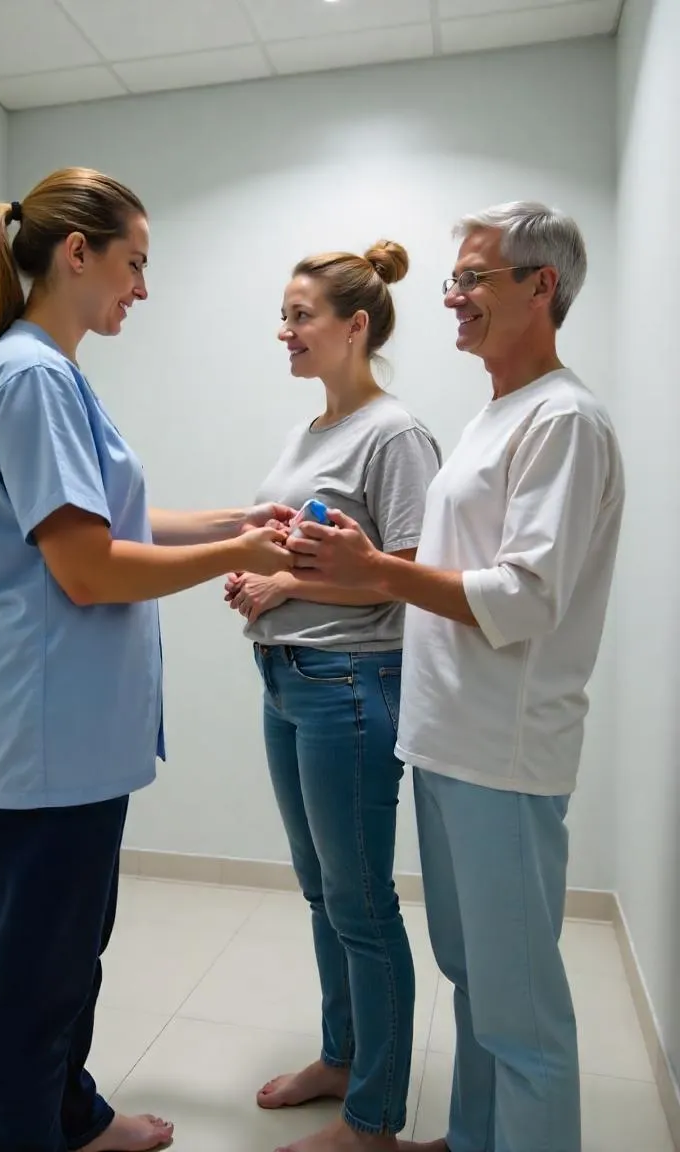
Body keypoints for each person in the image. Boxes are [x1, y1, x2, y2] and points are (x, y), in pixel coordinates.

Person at [0, 167, 295, 1152]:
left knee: (65, 957)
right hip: (50, 733)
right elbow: (89, 570)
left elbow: (112, 518)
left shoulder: (49, 374)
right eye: (134, 264)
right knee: (30, 976)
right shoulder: (32, 377)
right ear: (76, 253)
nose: (142, 287)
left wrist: (236, 516)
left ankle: (69, 1116)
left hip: (72, 733)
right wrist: (241, 554)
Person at [286, 203, 625, 1152]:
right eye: (456, 280)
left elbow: (523, 596)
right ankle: (477, 1139)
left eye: (474, 278)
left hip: (504, 754)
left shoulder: (565, 421)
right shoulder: (496, 415)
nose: (452, 297)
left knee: (523, 1016)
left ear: (541, 287)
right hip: (444, 739)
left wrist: (374, 572)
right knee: (475, 979)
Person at [225, 243, 441, 1152]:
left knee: (360, 903)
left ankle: (374, 1121)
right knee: (323, 894)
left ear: (356, 326)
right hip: (287, 679)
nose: (285, 330)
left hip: (351, 684)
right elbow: (298, 549)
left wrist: (287, 591)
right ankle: (344, 1057)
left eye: (300, 315)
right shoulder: (310, 433)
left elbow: (408, 577)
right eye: (284, 314)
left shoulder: (395, 434)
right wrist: (259, 575)